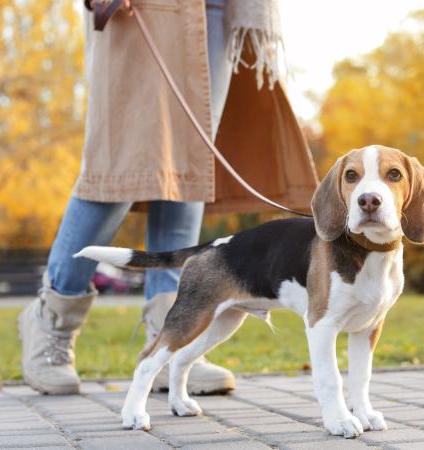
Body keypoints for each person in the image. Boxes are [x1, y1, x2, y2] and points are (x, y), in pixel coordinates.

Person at [18, 0, 317, 395]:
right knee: (116, 168)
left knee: (191, 166)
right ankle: (52, 319)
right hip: (139, 8)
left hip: (214, 11)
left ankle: (170, 333)